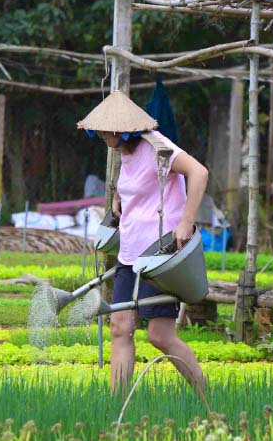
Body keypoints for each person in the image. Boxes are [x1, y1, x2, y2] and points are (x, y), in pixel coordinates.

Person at [77, 91, 209, 394]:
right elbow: (138, 183)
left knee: (160, 335)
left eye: (106, 129)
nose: (101, 134)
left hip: (159, 256)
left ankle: (206, 397)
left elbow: (199, 172)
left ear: (124, 129)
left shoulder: (158, 147)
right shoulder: (124, 152)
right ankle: (116, 403)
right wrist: (118, 196)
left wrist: (186, 221)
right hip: (129, 254)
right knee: (119, 328)